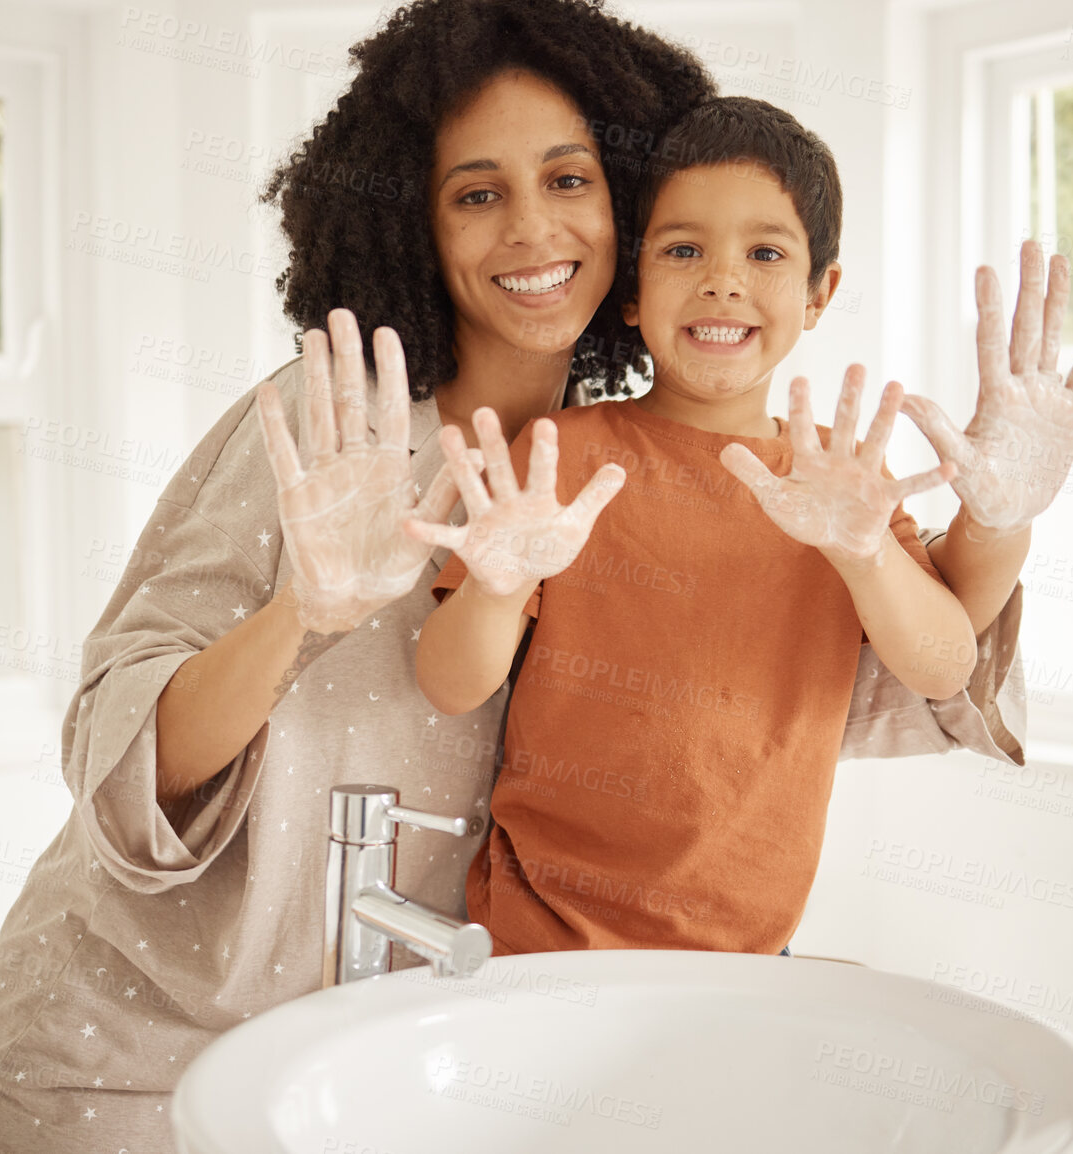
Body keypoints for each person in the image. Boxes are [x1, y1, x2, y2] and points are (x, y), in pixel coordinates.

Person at [0, 3, 714, 1149]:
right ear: (413, 223)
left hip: (363, 1075)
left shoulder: (609, 471)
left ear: (633, 201)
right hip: (120, 1066)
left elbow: (802, 688)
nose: (534, 229)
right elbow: (115, 761)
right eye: (478, 193)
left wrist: (997, 529)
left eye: (570, 178)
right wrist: (306, 615)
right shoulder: (332, 427)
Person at [409, 97, 995, 954]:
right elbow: (449, 686)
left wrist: (865, 559)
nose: (723, 280)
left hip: (746, 960)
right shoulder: (561, 458)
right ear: (634, 292)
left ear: (818, 292)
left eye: (764, 253)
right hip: (533, 943)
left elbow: (945, 668)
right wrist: (497, 591)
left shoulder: (841, 486)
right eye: (683, 250)